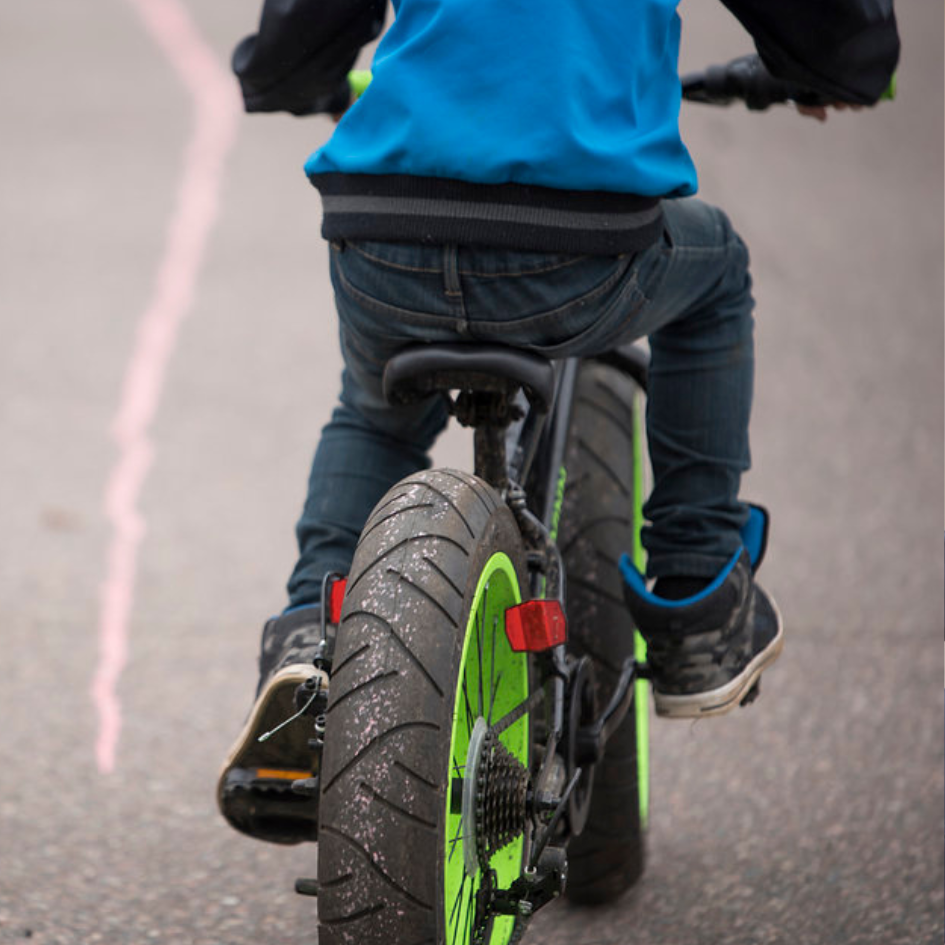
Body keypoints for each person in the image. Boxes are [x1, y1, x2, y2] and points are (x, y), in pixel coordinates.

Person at [217, 0, 899, 844]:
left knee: (374, 417)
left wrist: (294, 77)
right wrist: (833, 67)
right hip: (576, 249)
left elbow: (315, 12)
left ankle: (310, 639)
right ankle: (695, 597)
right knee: (716, 272)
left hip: (382, 235)